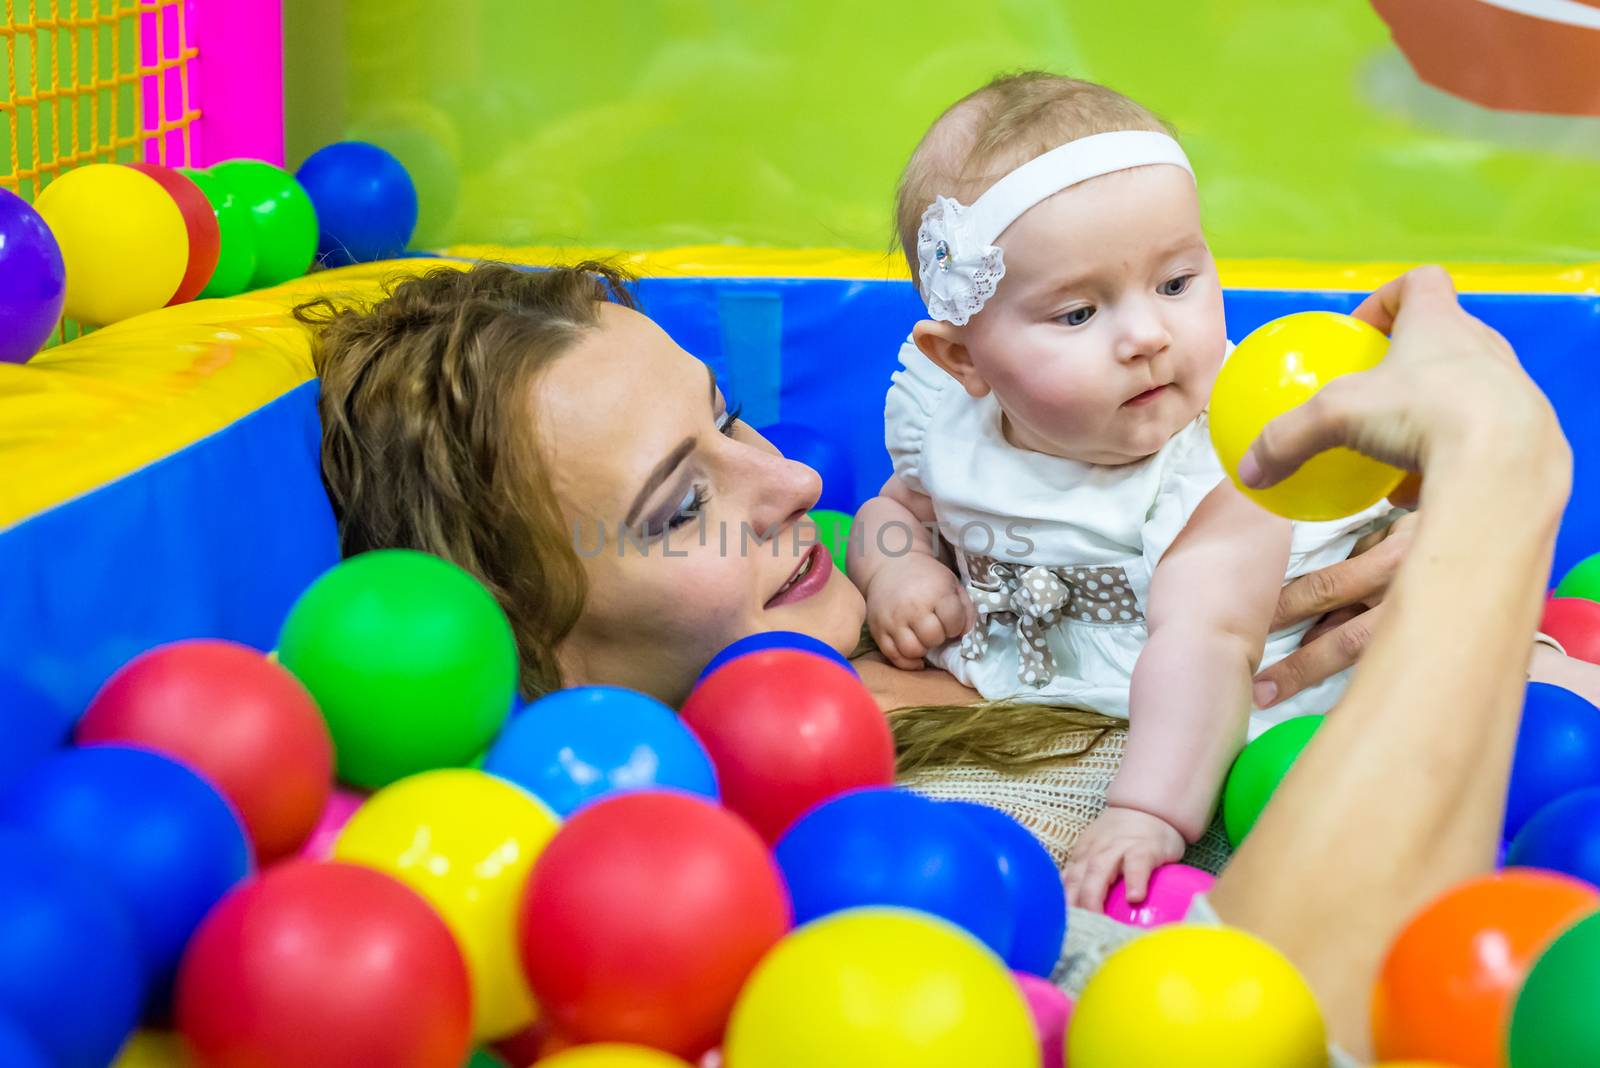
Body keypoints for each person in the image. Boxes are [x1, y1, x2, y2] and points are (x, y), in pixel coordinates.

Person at [302, 257, 1584, 1061]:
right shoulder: (859, 854)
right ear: (546, 665)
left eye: (730, 417)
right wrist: (1495, 501)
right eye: (680, 507)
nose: (794, 480)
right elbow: (1272, 1019)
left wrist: (1300, 613)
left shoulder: (960, 555)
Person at [847, 73, 1405, 909]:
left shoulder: (1227, 459)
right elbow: (889, 510)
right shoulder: (949, 428)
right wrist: (899, 571)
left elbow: (1209, 638)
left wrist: (1147, 813)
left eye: (1177, 283)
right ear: (963, 361)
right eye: (1078, 314)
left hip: (1223, 707)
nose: (1147, 336)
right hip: (1047, 695)